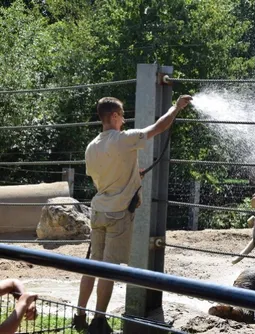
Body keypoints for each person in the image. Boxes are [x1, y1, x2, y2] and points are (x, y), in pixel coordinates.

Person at [73, 94, 192, 333]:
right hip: (118, 215)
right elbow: (159, 127)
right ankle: (99, 321)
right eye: (123, 114)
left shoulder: (92, 146)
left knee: (92, 264)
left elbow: (104, 178)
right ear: (114, 115)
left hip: (98, 211)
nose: (125, 119)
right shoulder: (123, 139)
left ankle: (80, 313)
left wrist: (132, 175)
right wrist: (175, 108)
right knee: (108, 269)